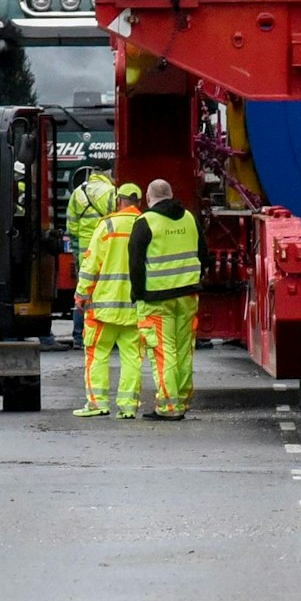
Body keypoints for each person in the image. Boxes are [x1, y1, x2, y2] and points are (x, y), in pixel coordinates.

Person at [131, 179, 208, 420]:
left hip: (156, 299)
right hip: (187, 295)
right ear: (171, 194)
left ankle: (168, 406)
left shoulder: (145, 222)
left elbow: (135, 263)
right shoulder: (189, 218)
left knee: (164, 353)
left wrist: (138, 293)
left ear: (148, 197)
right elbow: (204, 254)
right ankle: (182, 401)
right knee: (184, 351)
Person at [74, 183, 145, 418]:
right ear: (138, 202)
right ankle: (128, 406)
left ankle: (97, 403)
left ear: (118, 200)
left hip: (103, 306)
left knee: (97, 353)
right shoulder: (145, 224)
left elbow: (91, 263)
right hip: (135, 306)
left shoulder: (108, 225)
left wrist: (81, 294)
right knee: (132, 356)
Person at [64, 168, 118, 349]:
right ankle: (107, 334)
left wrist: (77, 248)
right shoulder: (111, 191)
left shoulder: (78, 192)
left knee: (83, 292)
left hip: (85, 251)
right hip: (106, 249)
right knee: (107, 291)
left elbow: (71, 224)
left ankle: (79, 336)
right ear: (108, 172)